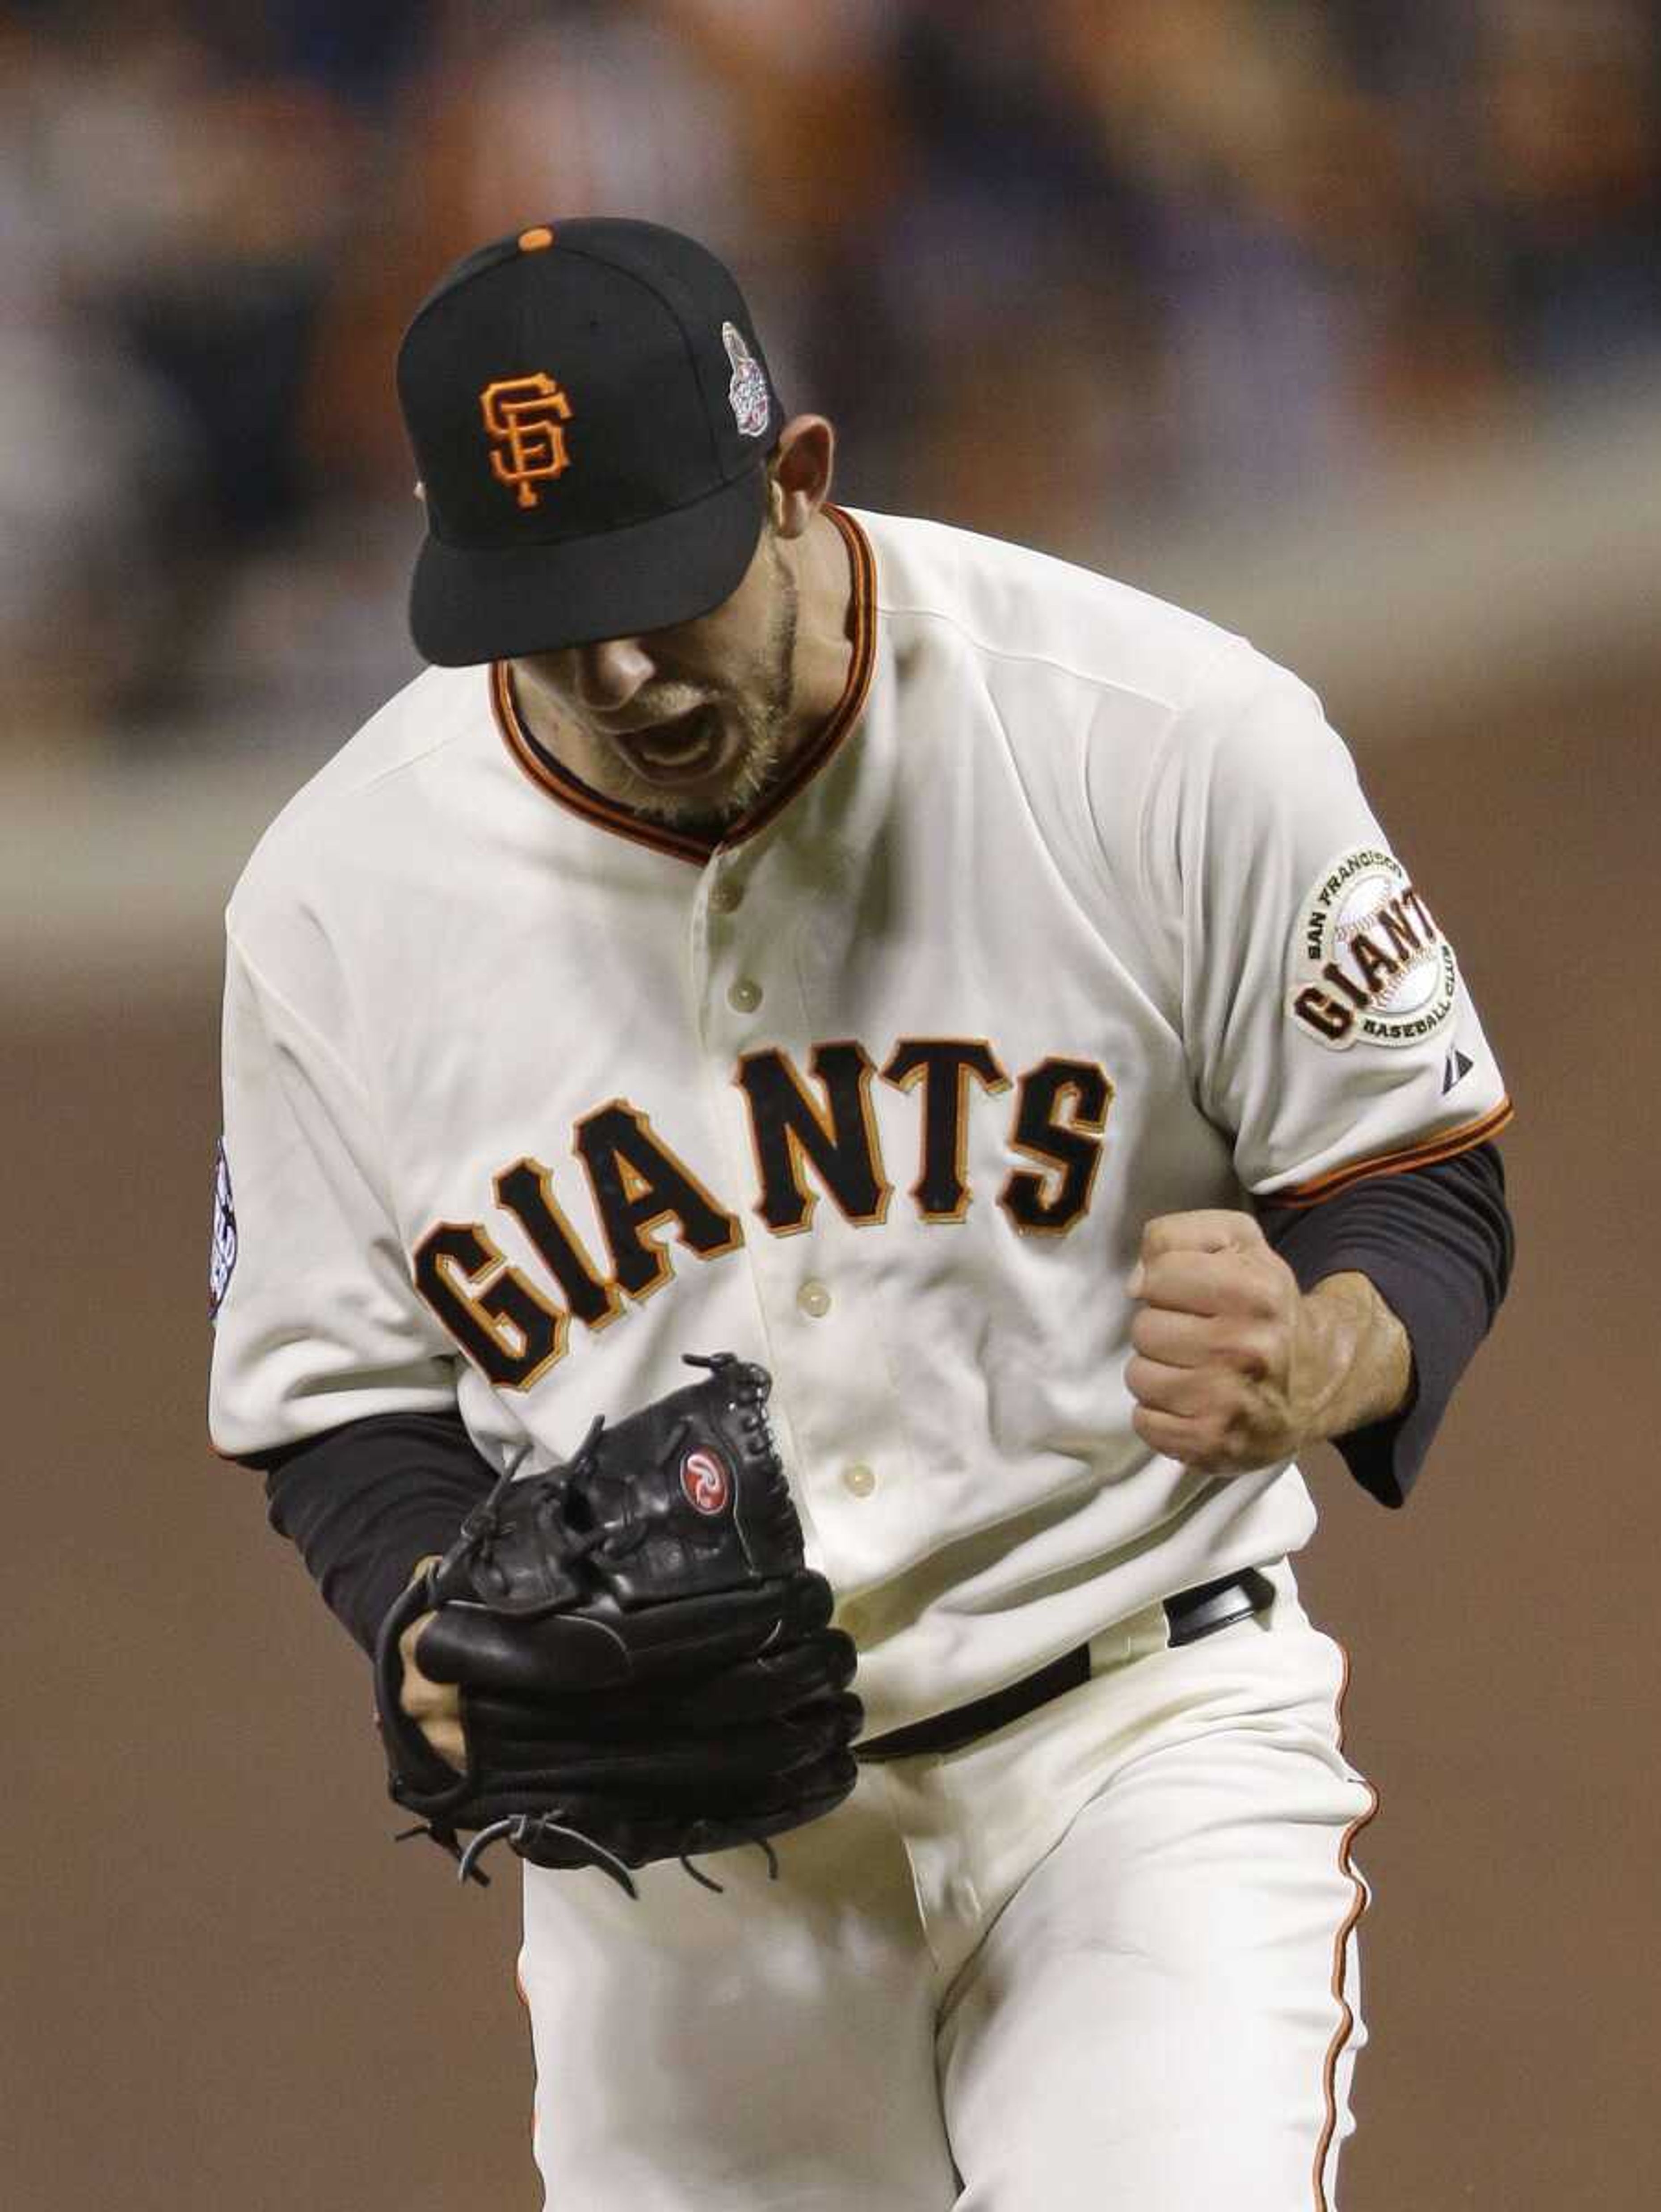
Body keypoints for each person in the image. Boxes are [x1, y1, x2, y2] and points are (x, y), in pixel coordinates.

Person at [209, 217, 1514, 2210]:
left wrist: (1320, 1351)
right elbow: (337, 1392)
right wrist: (424, 1615)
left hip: (1131, 1744)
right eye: (546, 621)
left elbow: (1419, 1176)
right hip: (677, 1878)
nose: (621, 671)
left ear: (798, 476)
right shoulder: (333, 900)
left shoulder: (1157, 734)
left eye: (660, 587)